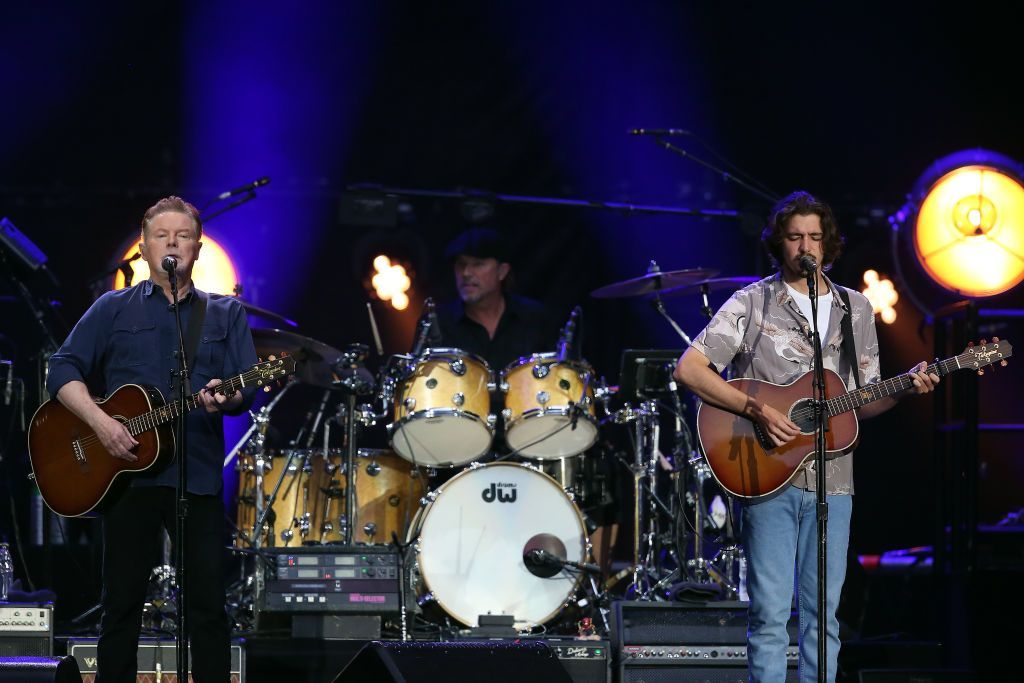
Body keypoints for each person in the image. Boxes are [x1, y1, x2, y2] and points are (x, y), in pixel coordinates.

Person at [673, 191, 939, 682]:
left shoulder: (854, 308)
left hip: (833, 482)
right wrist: (754, 408)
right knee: (771, 615)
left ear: (828, 243)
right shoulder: (751, 302)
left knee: (824, 618)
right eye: (795, 237)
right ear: (780, 242)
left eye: (814, 236)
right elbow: (689, 368)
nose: (805, 247)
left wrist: (904, 391)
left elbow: (862, 401)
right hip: (764, 471)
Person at [47, 197, 258, 682]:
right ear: (143, 247)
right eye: (161, 235)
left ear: (197, 249)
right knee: (120, 605)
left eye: (182, 236)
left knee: (207, 607)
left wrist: (224, 399)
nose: (172, 243)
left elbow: (245, 386)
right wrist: (102, 424)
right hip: (125, 478)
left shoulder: (224, 313)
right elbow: (61, 370)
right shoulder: (112, 308)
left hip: (198, 476)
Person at [431, 226, 563, 372]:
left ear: (502, 272)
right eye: (461, 265)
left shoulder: (536, 318)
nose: (466, 273)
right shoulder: (438, 322)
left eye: (478, 264)